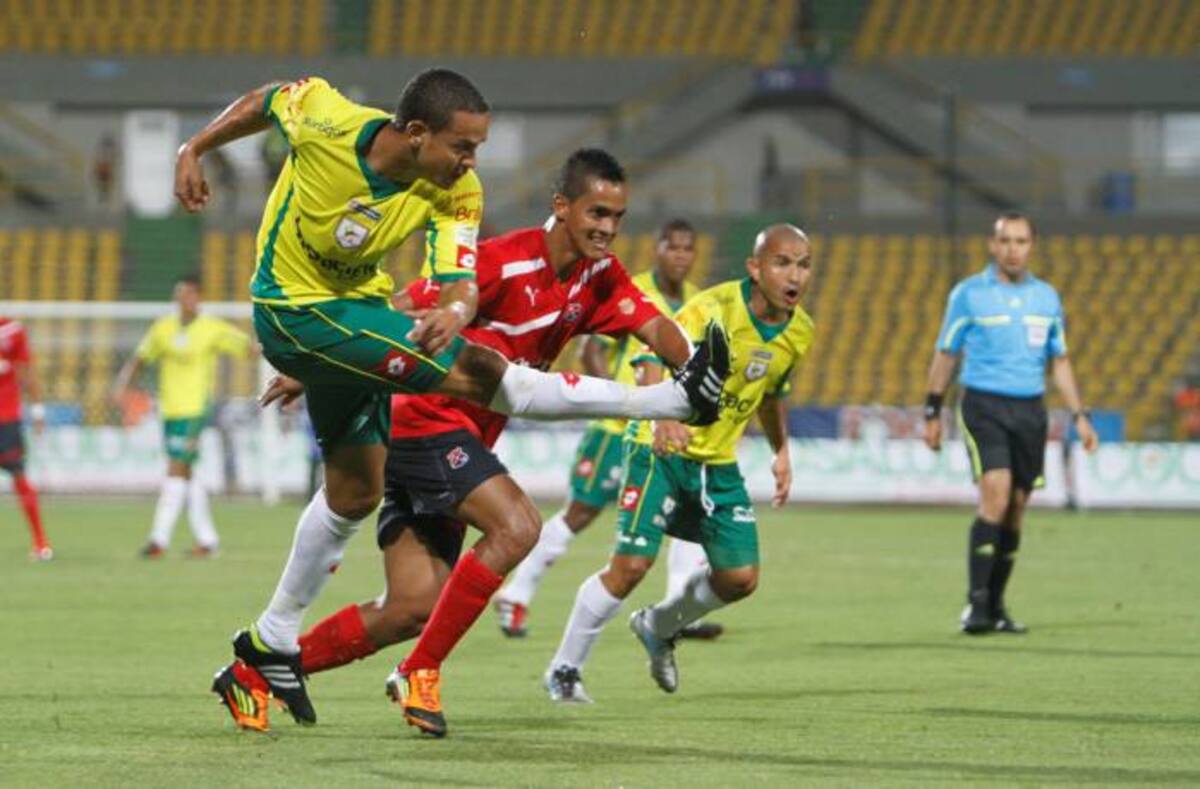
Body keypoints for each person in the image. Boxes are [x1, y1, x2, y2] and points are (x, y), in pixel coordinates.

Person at [173, 71, 729, 733]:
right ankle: (667, 404)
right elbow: (269, 101)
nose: (472, 162)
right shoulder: (328, 118)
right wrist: (195, 147)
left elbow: (456, 283)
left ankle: (260, 657)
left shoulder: (467, 197)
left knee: (392, 566)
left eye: (618, 217)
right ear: (416, 134)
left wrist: (692, 359)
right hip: (351, 358)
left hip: (359, 335)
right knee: (511, 476)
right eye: (463, 146)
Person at [287, 149, 714, 738]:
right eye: (596, 213)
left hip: (459, 435)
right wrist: (317, 358)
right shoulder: (500, 261)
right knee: (518, 525)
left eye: (617, 217)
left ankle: (267, 668)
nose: (607, 229)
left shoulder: (600, 277)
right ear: (561, 206)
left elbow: (652, 325)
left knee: (413, 605)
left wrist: (694, 365)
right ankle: (420, 673)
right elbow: (406, 302)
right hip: (425, 417)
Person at [543, 224, 814, 703]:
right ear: (755, 268)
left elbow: (771, 394)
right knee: (631, 566)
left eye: (803, 263)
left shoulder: (800, 331)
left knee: (739, 578)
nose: (795, 274)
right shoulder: (712, 310)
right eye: (782, 262)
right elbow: (651, 357)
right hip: (658, 449)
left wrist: (781, 452)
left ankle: (659, 624)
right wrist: (661, 415)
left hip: (715, 463)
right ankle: (565, 668)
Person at [494, 218, 724, 642]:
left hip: (670, 431)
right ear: (658, 249)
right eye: (673, 247)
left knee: (686, 510)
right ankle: (517, 591)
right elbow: (591, 352)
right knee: (580, 513)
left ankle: (676, 607)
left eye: (688, 249)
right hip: (618, 430)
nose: (681, 256)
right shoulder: (633, 287)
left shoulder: (696, 300)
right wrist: (620, 406)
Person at [923, 211, 1099, 635]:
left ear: (1031, 246)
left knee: (1017, 509)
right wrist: (932, 410)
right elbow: (946, 353)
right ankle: (976, 606)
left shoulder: (1047, 298)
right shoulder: (968, 294)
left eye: (1021, 241)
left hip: (1030, 411)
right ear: (992, 244)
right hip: (982, 405)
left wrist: (1079, 415)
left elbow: (1060, 361)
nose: (1013, 249)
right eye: (1005, 241)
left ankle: (997, 604)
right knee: (996, 494)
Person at [113, 275, 252, 558]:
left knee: (176, 469)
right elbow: (141, 357)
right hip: (170, 410)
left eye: (188, 294)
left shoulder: (212, 328)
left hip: (195, 410)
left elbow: (248, 347)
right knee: (187, 473)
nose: (182, 300)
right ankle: (208, 540)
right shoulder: (163, 328)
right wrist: (122, 386)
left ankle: (158, 540)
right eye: (179, 295)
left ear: (198, 296)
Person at [0, 316, 52, 561]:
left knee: (19, 477)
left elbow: (27, 371)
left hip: (6, 418)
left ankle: (41, 541)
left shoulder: (11, 330)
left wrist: (38, 410)